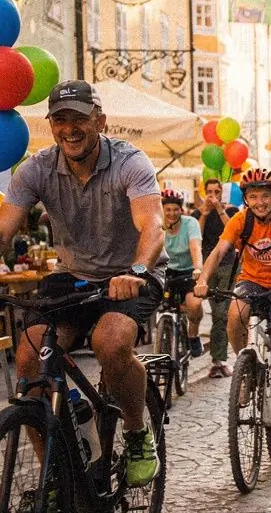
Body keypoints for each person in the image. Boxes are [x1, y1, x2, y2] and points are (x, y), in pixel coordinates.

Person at [0, 81, 166, 485]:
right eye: (61, 119)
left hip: (132, 274)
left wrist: (138, 272)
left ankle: (136, 431)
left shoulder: (131, 162)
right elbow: (4, 227)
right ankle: (53, 477)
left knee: (109, 343)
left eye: (79, 118)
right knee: (29, 358)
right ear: (52, 125)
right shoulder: (36, 169)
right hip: (72, 277)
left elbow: (153, 225)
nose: (70, 128)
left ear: (100, 121)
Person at [194, 167, 271, 447]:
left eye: (265, 196)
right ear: (246, 198)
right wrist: (202, 279)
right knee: (235, 315)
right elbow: (219, 251)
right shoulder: (240, 220)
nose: (260, 202)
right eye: (254, 196)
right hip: (252, 280)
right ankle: (245, 368)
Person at [194, 177, 238, 378]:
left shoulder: (231, 212)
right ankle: (217, 359)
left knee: (222, 313)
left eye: (216, 191)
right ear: (204, 192)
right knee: (216, 312)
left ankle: (218, 360)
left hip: (228, 265)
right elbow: (195, 237)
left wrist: (219, 209)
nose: (212, 195)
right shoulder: (199, 213)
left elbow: (234, 233)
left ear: (221, 192)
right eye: (209, 191)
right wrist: (203, 214)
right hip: (208, 267)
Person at [161, 189, 204, 358]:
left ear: (181, 210)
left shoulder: (190, 223)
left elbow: (195, 247)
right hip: (165, 271)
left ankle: (193, 335)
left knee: (194, 305)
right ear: (163, 210)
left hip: (188, 270)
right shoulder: (158, 224)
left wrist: (198, 268)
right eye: (168, 210)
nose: (172, 213)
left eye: (175, 209)